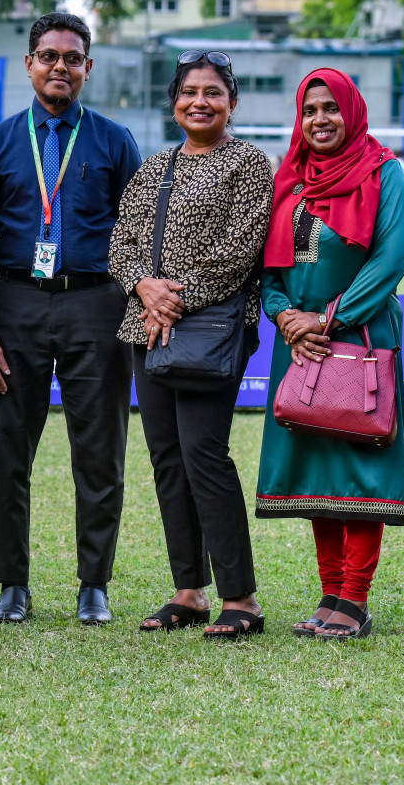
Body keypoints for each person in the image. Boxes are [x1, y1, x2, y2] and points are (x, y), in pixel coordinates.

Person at [0, 12, 141, 625]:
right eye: (48, 56)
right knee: (6, 452)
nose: (60, 67)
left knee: (100, 451)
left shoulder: (114, 140)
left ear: (88, 68)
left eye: (72, 58)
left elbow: (138, 233)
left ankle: (93, 583)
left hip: (96, 304)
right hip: (15, 303)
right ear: (29, 65)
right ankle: (11, 583)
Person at [107, 50, 273, 639]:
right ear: (173, 100)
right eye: (188, 92)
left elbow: (240, 248)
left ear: (232, 102)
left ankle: (241, 597)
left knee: (206, 455)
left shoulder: (250, 164)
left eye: (213, 92)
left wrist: (176, 299)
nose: (199, 102)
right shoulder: (154, 167)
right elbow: (121, 242)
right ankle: (189, 591)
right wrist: (144, 288)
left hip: (212, 330)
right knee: (167, 460)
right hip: (145, 331)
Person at [256, 69, 404, 640]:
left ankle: (355, 598)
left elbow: (391, 259)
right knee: (315, 462)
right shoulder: (291, 179)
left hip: (358, 336)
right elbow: (269, 270)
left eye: (331, 108)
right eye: (310, 110)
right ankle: (329, 593)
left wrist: (328, 318)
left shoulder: (383, 171)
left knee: (360, 461)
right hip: (298, 342)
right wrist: (286, 318)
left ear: (352, 108)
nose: (320, 119)